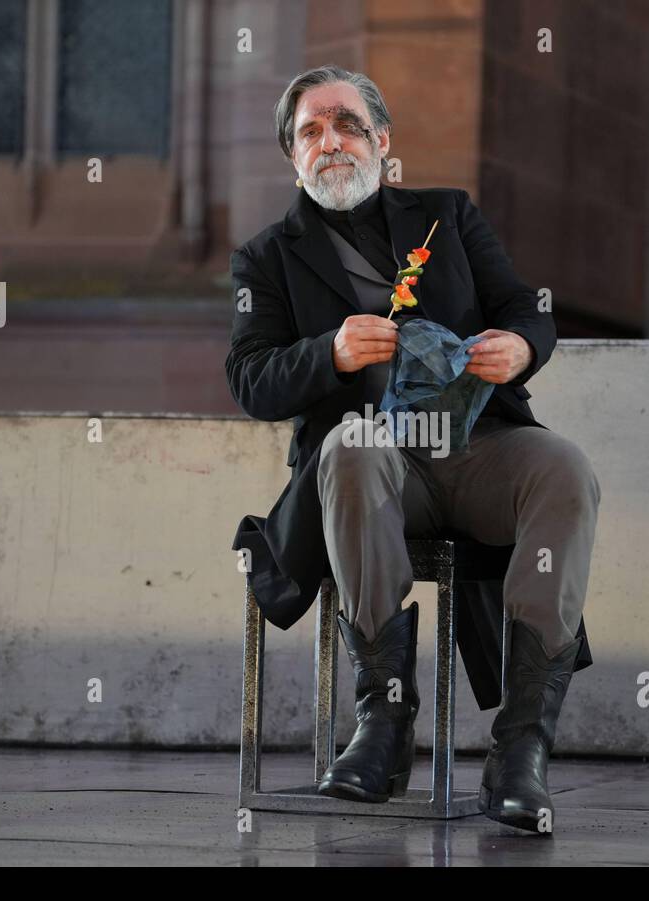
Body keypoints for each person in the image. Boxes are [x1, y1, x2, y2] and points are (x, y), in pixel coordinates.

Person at [226, 65, 601, 833]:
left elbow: (527, 309)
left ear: (383, 140)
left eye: (347, 124)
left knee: (564, 466)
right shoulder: (265, 259)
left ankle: (521, 751)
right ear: (291, 155)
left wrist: (520, 350)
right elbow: (251, 379)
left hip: (477, 449)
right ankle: (384, 726)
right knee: (355, 444)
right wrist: (327, 352)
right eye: (310, 131)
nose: (330, 141)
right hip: (375, 472)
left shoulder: (448, 215)